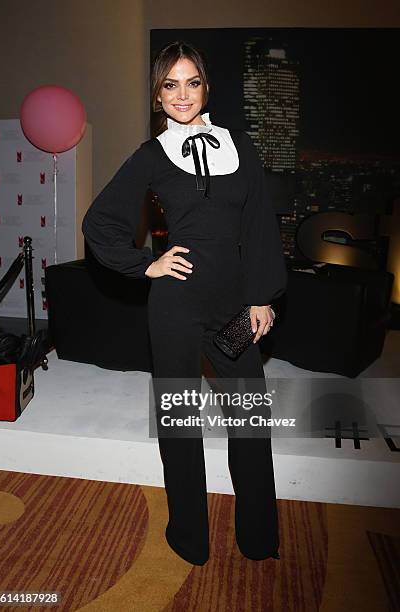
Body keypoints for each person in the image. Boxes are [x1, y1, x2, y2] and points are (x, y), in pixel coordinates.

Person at [82, 40, 288, 566]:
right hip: (173, 305)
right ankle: (189, 537)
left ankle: (258, 536)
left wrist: (261, 298)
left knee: (250, 420)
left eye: (191, 81)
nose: (181, 94)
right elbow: (100, 222)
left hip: (234, 306)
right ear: (157, 93)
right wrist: (144, 264)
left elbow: (261, 225)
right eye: (169, 84)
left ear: (204, 87)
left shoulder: (240, 146)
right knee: (180, 423)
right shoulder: (152, 156)